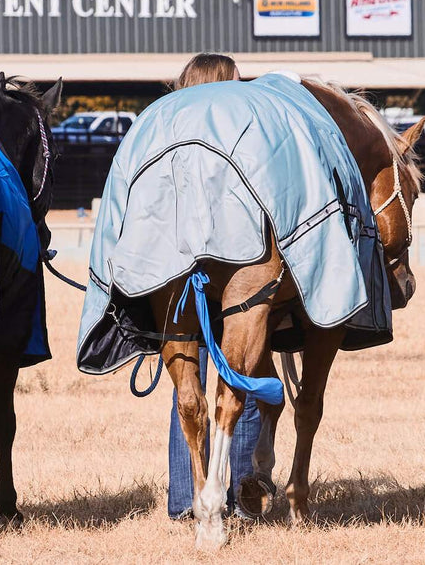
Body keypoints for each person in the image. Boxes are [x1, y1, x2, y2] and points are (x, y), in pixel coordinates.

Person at [167, 52, 261, 520]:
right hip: (238, 274)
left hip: (177, 277)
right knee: (241, 373)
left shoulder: (165, 135)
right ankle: (237, 493)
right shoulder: (243, 134)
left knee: (186, 385)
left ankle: (187, 497)